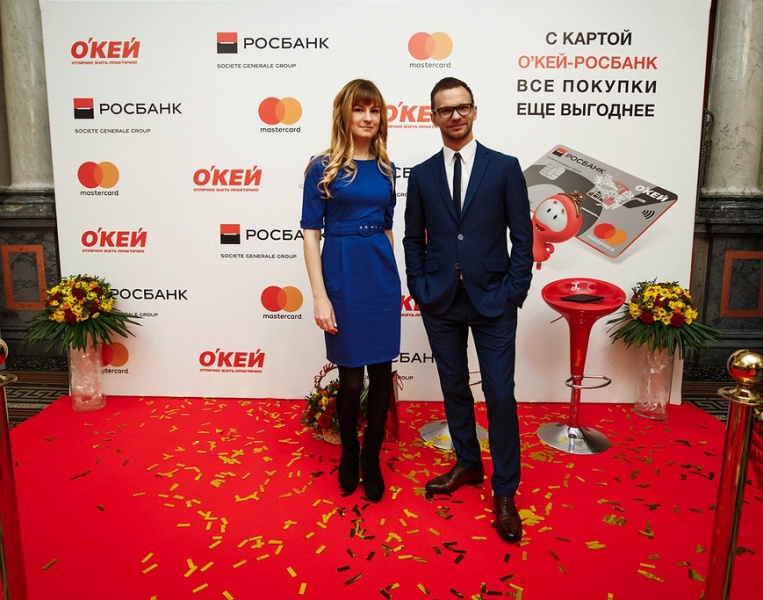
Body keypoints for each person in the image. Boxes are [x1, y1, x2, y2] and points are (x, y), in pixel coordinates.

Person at [403, 77, 533, 542]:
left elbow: (523, 236)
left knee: (499, 395)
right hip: (440, 300)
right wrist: (420, 287)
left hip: (494, 298)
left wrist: (514, 290)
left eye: (462, 108)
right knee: (454, 388)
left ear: (474, 111)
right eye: (445, 109)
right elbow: (412, 238)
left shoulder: (504, 167)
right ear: (432, 116)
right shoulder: (421, 175)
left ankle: (505, 490)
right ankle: (467, 463)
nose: (454, 116)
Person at [301, 79, 401, 503]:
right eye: (359, 109)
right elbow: (310, 234)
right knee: (349, 376)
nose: (367, 117)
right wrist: (320, 296)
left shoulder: (386, 168)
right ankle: (348, 451)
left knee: (380, 373)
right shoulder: (322, 167)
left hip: (380, 276)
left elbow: (388, 227)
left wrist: (392, 278)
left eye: (374, 110)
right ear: (344, 114)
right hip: (341, 274)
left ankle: (371, 457)